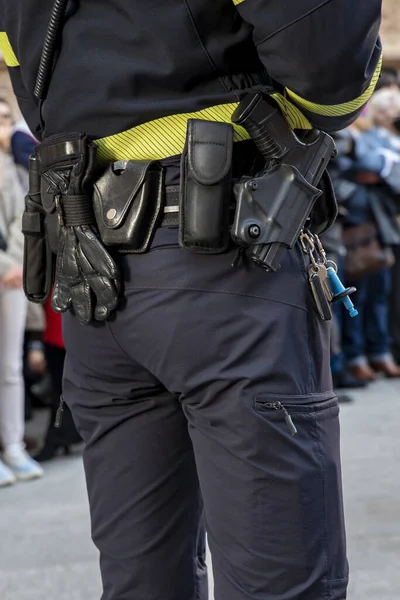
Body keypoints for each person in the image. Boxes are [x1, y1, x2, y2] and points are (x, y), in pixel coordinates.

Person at [1, 2, 382, 599]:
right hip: (221, 261)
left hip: (89, 260)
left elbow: (30, 72)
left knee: (143, 580)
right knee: (278, 580)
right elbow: (326, 66)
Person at [0, 97, 43, 486]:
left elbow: (24, 217)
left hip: (10, 278)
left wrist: (14, 263)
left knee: (11, 368)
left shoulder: (13, 165)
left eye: (5, 117)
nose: (2, 125)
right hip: (4, 272)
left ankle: (14, 445)